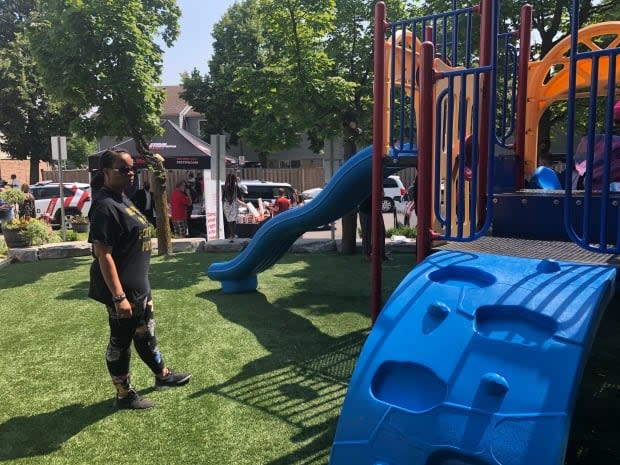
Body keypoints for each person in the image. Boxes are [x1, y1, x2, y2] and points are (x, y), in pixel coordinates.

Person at [87, 149, 191, 410]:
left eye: (133, 168)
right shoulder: (104, 206)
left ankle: (162, 375)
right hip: (122, 291)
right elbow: (103, 256)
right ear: (106, 172)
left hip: (138, 287)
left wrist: (157, 166)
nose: (131, 173)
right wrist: (119, 297)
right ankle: (124, 395)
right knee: (120, 343)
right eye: (124, 169)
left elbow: (156, 190)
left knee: (146, 335)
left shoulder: (123, 198)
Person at [358, 193, 388, 261]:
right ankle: (367, 255)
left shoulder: (379, 183)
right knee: (366, 233)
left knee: (382, 232)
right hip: (366, 210)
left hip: (376, 210)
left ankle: (382, 254)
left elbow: (381, 194)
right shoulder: (366, 183)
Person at [222, 173, 247, 242]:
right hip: (233, 204)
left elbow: (223, 197)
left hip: (227, 205)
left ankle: (231, 234)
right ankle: (233, 234)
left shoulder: (225, 187)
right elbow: (240, 198)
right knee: (234, 220)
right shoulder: (235, 187)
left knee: (230, 220)